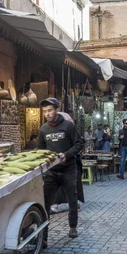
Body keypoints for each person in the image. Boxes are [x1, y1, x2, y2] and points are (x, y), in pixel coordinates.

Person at [38, 98, 83, 241]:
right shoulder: (43, 129)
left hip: (68, 170)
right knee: (46, 203)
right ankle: (44, 236)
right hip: (51, 172)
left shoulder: (68, 126)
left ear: (56, 110)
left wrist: (67, 154)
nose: (47, 114)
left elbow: (79, 143)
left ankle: (73, 227)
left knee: (72, 200)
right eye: (45, 111)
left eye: (50, 110)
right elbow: (40, 149)